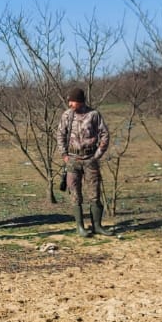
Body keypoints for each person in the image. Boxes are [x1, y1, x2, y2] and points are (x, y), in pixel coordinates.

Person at [57, 87, 110, 237]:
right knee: (75, 194)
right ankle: (80, 227)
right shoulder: (67, 115)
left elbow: (104, 135)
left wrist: (97, 155)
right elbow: (60, 135)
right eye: (69, 101)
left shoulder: (94, 115)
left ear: (80, 101)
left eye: (73, 101)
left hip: (90, 159)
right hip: (72, 160)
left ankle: (97, 226)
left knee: (94, 193)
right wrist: (64, 155)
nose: (70, 104)